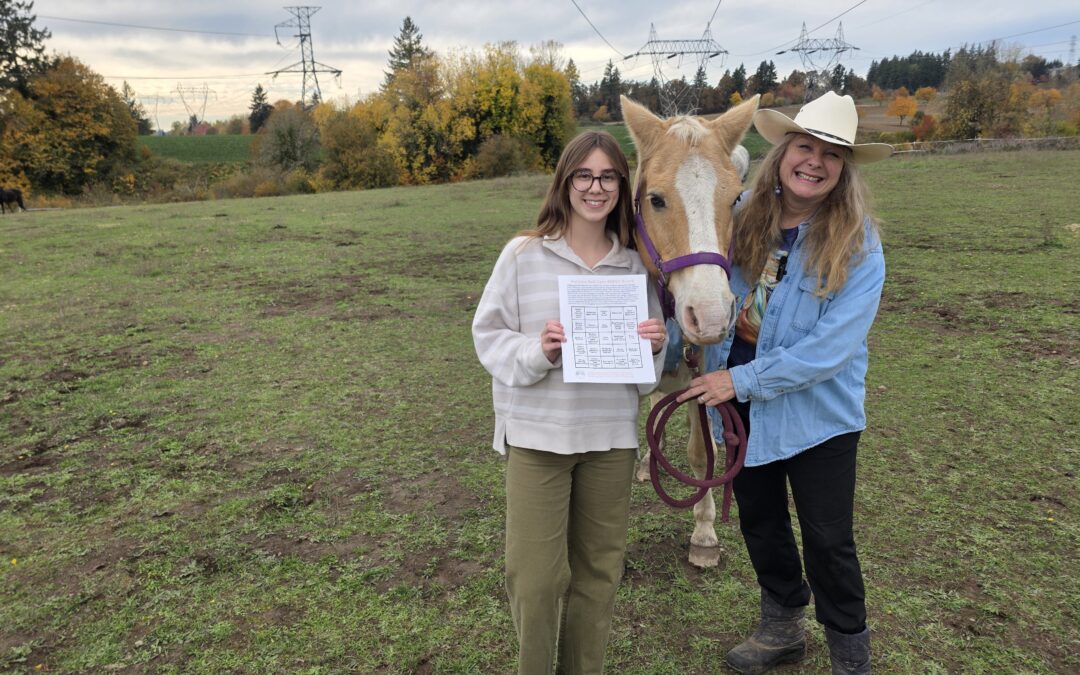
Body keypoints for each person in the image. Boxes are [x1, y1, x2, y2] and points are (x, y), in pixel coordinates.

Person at [677, 91, 892, 674]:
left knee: (828, 540)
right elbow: (700, 280)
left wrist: (739, 382)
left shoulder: (859, 244)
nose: (815, 162)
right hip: (741, 405)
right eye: (805, 147)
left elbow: (831, 349)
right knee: (762, 523)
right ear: (783, 151)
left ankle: (851, 657)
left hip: (815, 414)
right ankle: (782, 628)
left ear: (843, 169)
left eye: (831, 154)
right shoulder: (742, 215)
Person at [472, 131, 667, 675]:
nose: (595, 187)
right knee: (533, 580)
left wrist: (655, 345)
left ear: (621, 186)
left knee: (599, 575)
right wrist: (539, 351)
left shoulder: (634, 268)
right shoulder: (523, 255)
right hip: (538, 439)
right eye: (584, 175)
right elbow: (488, 337)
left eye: (608, 176)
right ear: (565, 181)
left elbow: (647, 376)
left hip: (609, 440)